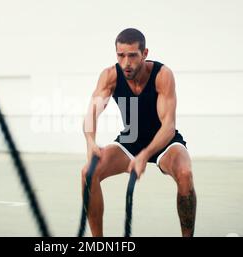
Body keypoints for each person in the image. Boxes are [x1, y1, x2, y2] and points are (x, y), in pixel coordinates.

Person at [82, 28, 197, 237]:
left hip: (165, 142)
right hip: (131, 140)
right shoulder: (110, 76)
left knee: (185, 174)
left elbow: (169, 126)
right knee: (88, 173)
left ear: (144, 53)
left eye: (133, 55)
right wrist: (90, 141)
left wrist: (145, 154)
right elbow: (91, 114)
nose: (126, 62)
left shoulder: (162, 75)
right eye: (121, 55)